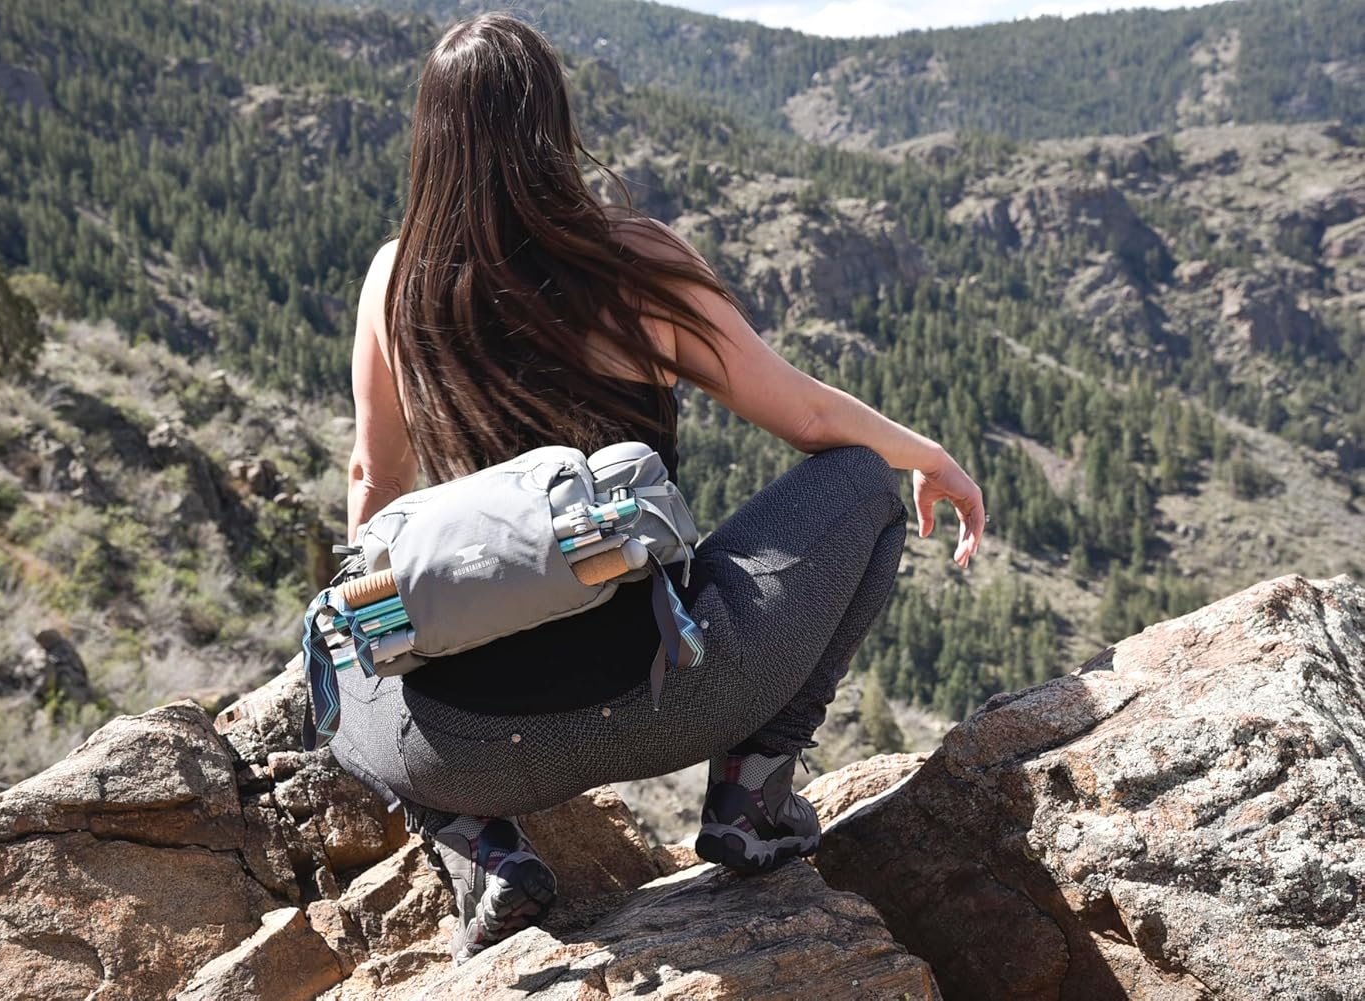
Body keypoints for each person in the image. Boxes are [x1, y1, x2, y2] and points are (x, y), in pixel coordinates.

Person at [326, 13, 985, 964]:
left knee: (336, 653)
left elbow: (374, 482)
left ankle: (484, 848)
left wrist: (376, 632)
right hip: (675, 692)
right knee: (863, 481)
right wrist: (926, 456)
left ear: (432, 136)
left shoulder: (394, 280)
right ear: (553, 122)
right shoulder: (633, 261)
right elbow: (808, 417)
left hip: (472, 749)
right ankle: (752, 793)